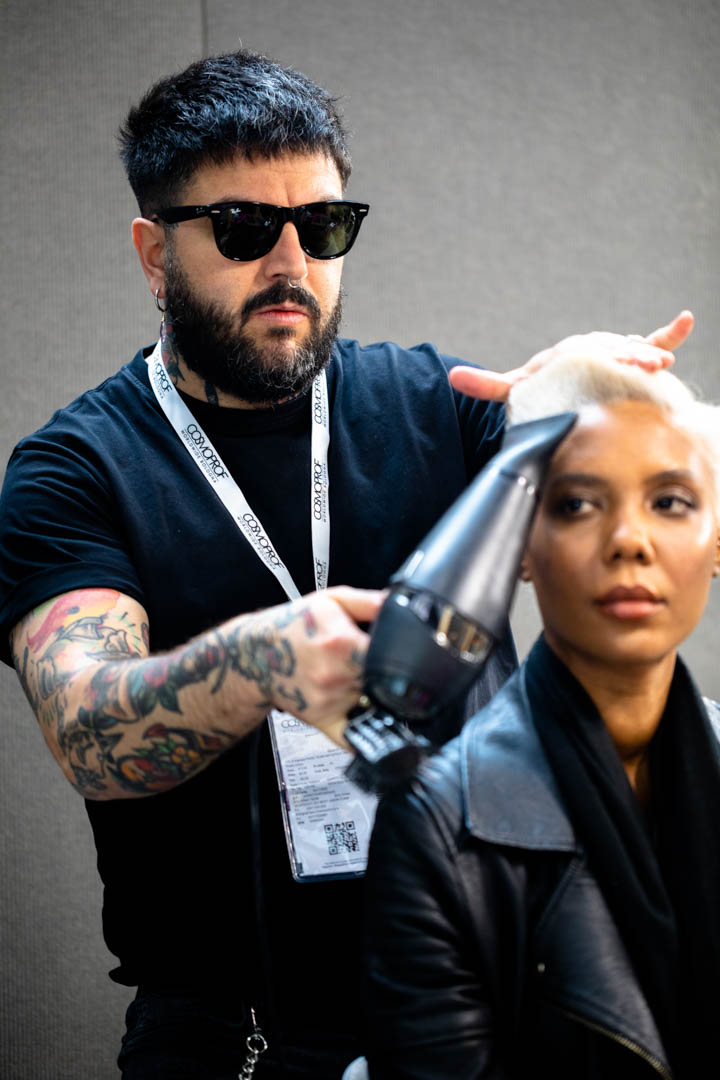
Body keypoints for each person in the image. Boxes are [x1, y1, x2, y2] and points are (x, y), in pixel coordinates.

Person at [0, 47, 691, 1080]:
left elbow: (640, 538)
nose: (291, 264)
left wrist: (613, 421)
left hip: (485, 996)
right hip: (233, 1034)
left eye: (322, 226)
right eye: (244, 228)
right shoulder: (77, 468)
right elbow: (88, 729)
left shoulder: (440, 403)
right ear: (154, 253)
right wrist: (259, 663)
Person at [360, 349, 720, 1079]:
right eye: (577, 504)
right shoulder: (437, 827)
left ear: (717, 543)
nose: (629, 540)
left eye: (670, 502)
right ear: (518, 548)